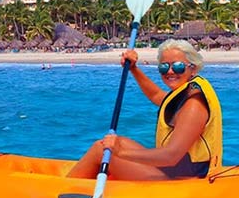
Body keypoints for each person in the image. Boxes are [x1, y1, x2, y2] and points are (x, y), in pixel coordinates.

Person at [67, 39, 222, 180]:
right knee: (114, 142)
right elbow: (156, 95)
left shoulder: (194, 104)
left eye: (178, 66)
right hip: (173, 171)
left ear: (193, 68)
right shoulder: (187, 90)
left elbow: (171, 156)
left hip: (182, 181)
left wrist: (120, 152)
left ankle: (61, 194)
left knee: (101, 151)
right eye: (164, 66)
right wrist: (133, 69)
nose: (170, 71)